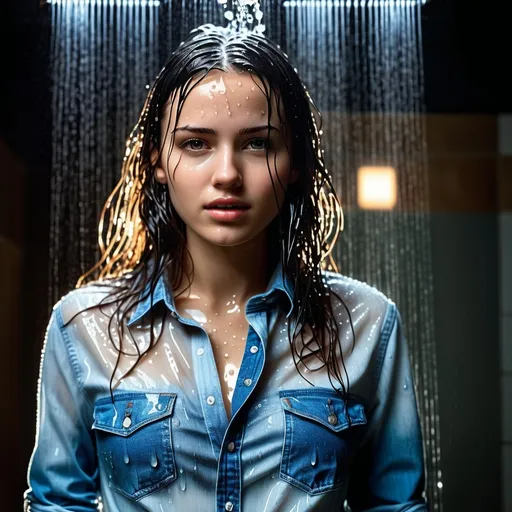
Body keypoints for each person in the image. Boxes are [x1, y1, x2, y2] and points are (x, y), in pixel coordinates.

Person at [24, 23, 428, 512]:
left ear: (295, 161)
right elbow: (57, 504)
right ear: (157, 159)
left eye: (257, 144)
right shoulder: (83, 328)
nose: (227, 174)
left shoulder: (367, 325)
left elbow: (395, 506)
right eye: (196, 144)